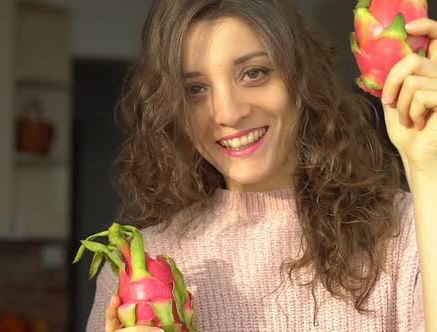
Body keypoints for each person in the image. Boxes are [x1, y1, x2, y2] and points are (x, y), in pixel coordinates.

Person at [86, 0, 437, 331]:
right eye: (195, 89)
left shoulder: (407, 231)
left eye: (253, 73)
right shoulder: (137, 271)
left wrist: (426, 166)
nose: (228, 113)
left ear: (300, 78)